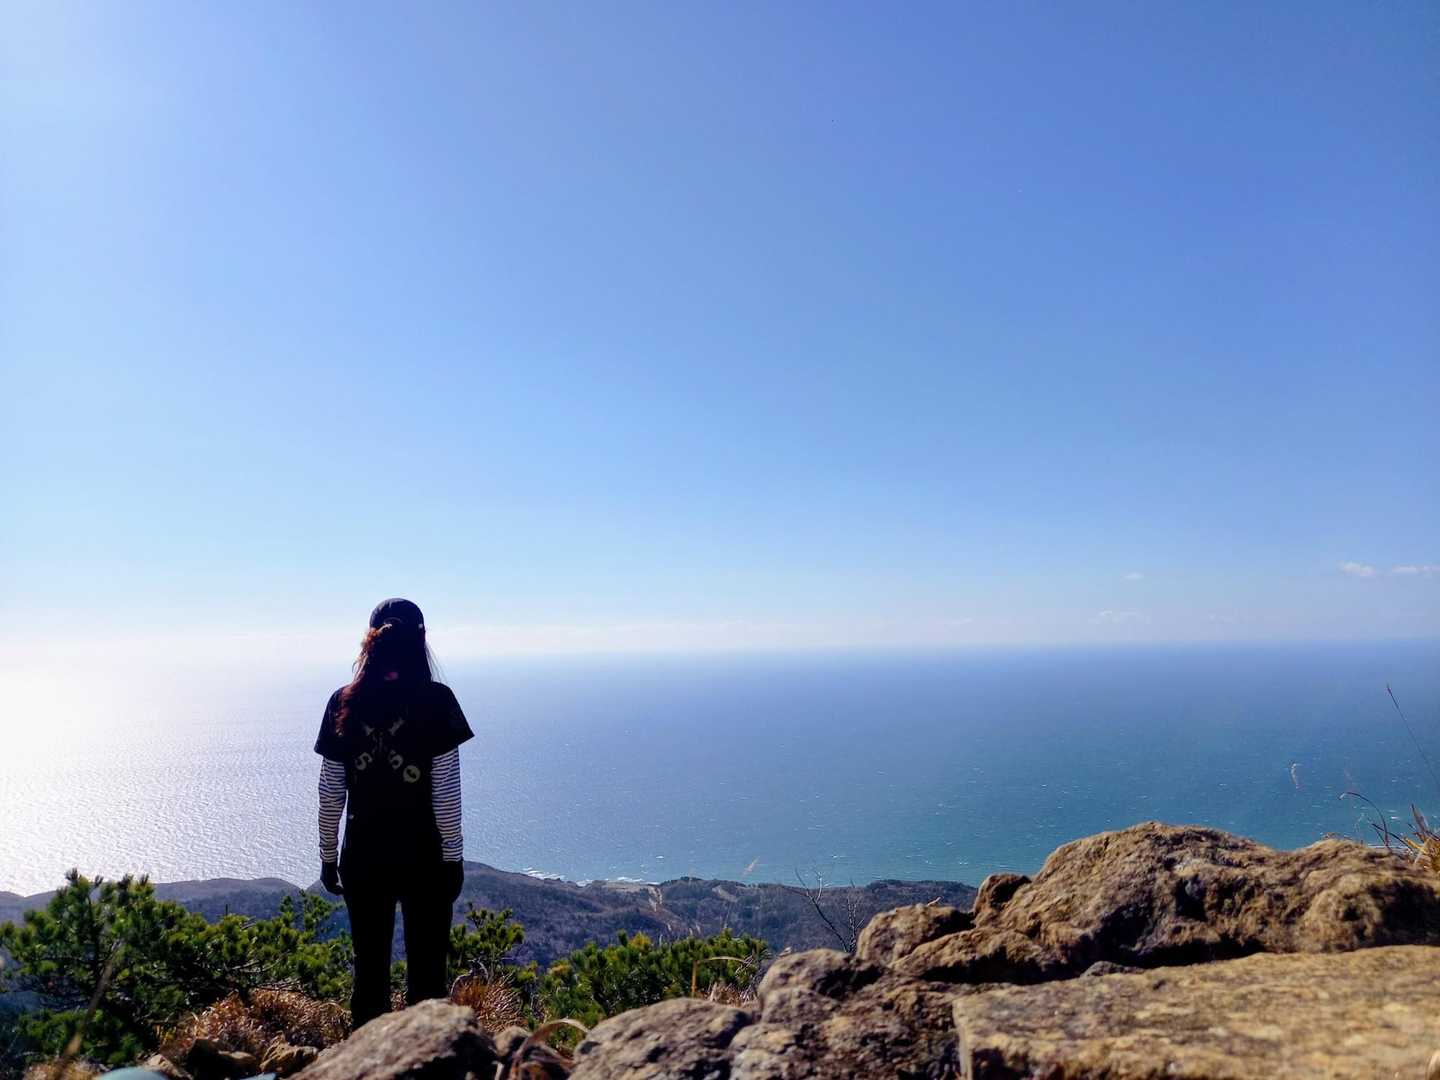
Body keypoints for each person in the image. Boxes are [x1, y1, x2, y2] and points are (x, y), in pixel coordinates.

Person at [314, 598, 474, 1027]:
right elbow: (446, 793)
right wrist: (453, 856)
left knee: (369, 979)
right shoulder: (437, 700)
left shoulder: (343, 702)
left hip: (363, 856)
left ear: (369, 639)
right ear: (422, 638)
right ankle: (429, 1057)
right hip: (425, 857)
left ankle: (365, 1058)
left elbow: (331, 791)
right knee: (428, 978)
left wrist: (328, 856)